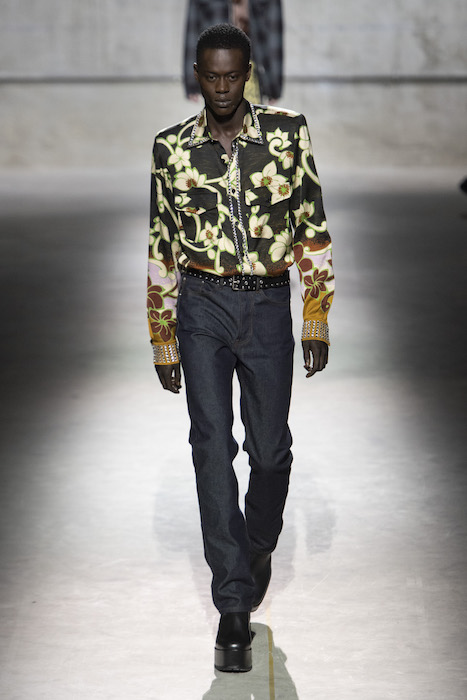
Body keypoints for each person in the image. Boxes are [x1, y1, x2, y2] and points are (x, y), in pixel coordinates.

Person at [147, 23, 334, 672]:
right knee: (209, 446)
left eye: (232, 76)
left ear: (248, 73)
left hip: (267, 303)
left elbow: (311, 223)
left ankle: (258, 542)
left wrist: (316, 315)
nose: (222, 88)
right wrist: (162, 334)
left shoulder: (287, 134)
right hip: (201, 304)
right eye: (211, 76)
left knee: (270, 451)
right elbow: (161, 241)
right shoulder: (171, 148)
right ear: (197, 75)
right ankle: (231, 604)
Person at [183, 0, 283, 103]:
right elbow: (193, 29)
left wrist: (274, 85)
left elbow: (273, 33)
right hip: (217, 67)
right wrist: (192, 81)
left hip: (248, 69)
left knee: (245, 110)